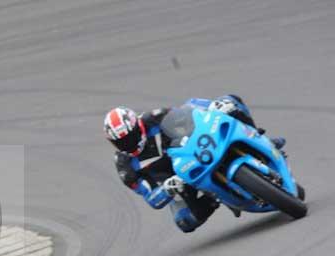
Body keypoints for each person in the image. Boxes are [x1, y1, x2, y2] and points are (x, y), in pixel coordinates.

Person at [103, 95, 286, 233]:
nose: (128, 144)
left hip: (191, 151)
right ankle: (212, 199)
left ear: (137, 126)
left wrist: (212, 107)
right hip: (176, 181)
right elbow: (150, 198)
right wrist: (167, 189)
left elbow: (190, 110)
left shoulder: (154, 117)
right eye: (121, 142)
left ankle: (260, 138)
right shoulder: (125, 167)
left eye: (130, 137)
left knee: (230, 100)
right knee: (185, 222)